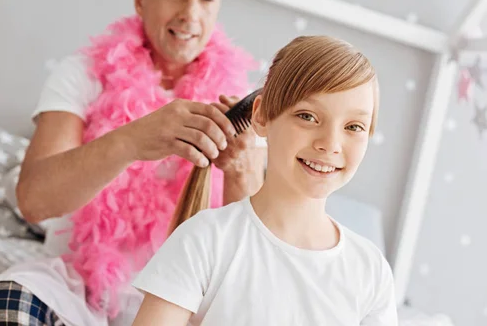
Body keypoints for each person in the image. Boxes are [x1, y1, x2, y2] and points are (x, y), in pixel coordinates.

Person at [0, 0, 264, 325]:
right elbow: (34, 201)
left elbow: (257, 250)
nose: (191, 13)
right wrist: (133, 140)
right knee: (4, 301)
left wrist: (240, 170)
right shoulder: (84, 74)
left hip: (179, 304)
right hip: (76, 290)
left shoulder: (240, 102)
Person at [131, 35, 399, 325]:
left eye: (353, 126)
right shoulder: (205, 240)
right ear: (260, 116)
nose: (330, 143)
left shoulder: (370, 272)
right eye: (308, 116)